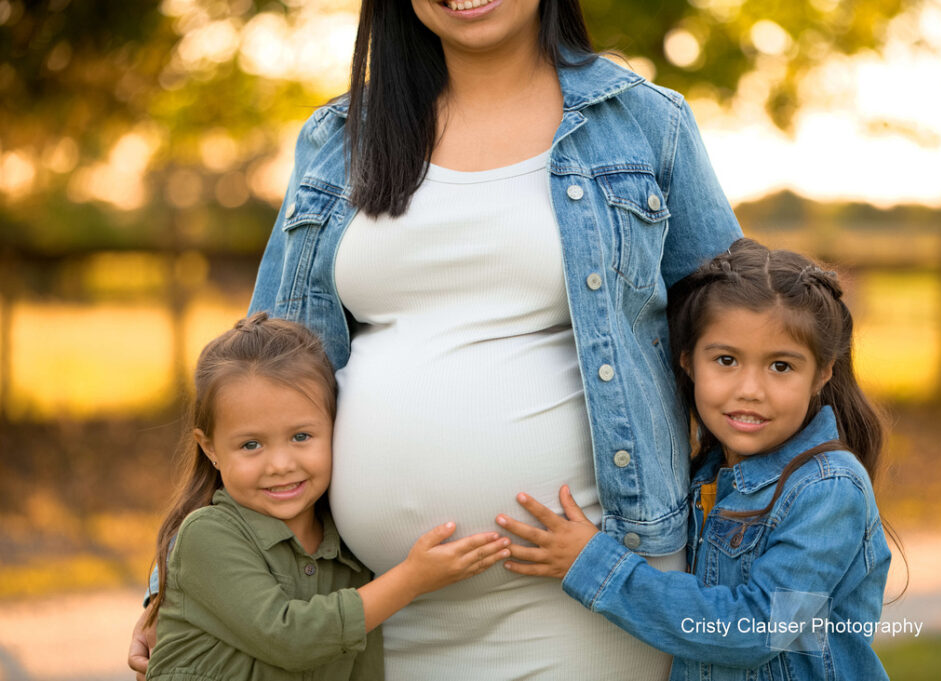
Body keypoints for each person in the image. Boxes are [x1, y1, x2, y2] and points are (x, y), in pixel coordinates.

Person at [130, 0, 743, 677]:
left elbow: (745, 346)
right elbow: (255, 381)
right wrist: (173, 582)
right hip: (373, 605)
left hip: (586, 595)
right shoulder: (339, 140)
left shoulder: (644, 125)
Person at [497, 238, 893, 680]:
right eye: (726, 360)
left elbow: (757, 630)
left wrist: (595, 565)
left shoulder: (828, 489)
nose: (750, 389)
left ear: (822, 373)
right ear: (687, 361)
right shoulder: (704, 474)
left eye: (781, 366)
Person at [143, 313, 510, 681]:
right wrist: (413, 577)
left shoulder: (349, 544)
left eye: (301, 436)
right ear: (210, 449)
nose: (281, 464)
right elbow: (290, 638)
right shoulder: (207, 535)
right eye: (251, 444)